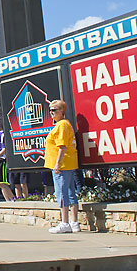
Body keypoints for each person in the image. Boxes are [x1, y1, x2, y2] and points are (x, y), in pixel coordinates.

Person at [45, 100, 81, 234]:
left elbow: (62, 146)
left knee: (61, 193)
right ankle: (74, 222)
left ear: (61, 111)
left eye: (54, 110)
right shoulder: (63, 125)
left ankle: (65, 222)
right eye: (50, 110)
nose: (51, 113)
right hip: (68, 164)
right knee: (71, 191)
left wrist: (57, 164)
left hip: (63, 165)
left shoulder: (62, 125)